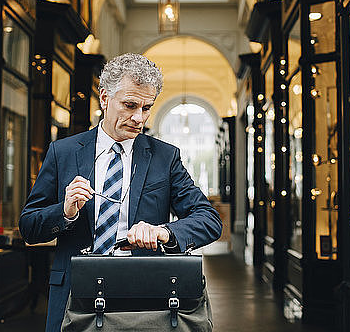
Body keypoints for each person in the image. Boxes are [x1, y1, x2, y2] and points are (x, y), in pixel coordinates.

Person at [19, 53, 222, 332]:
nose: (139, 117)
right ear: (104, 98)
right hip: (75, 295)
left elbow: (209, 220)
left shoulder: (165, 157)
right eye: (130, 105)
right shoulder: (63, 153)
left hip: (145, 300)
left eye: (147, 107)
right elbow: (29, 227)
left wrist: (165, 232)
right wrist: (64, 212)